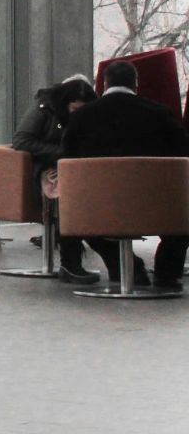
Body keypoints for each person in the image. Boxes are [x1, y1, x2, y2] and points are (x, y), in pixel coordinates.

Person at [61, 60, 189, 290]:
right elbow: (183, 151)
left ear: (105, 84)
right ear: (136, 84)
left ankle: (125, 267)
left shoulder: (83, 117)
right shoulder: (158, 114)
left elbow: (68, 159)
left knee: (82, 220)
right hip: (154, 204)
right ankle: (167, 274)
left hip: (97, 208)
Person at [12, 75, 105, 283]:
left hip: (81, 167)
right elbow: (21, 140)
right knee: (69, 194)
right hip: (47, 167)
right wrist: (63, 152)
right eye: (74, 110)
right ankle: (71, 262)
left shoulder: (93, 113)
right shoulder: (44, 108)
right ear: (65, 105)